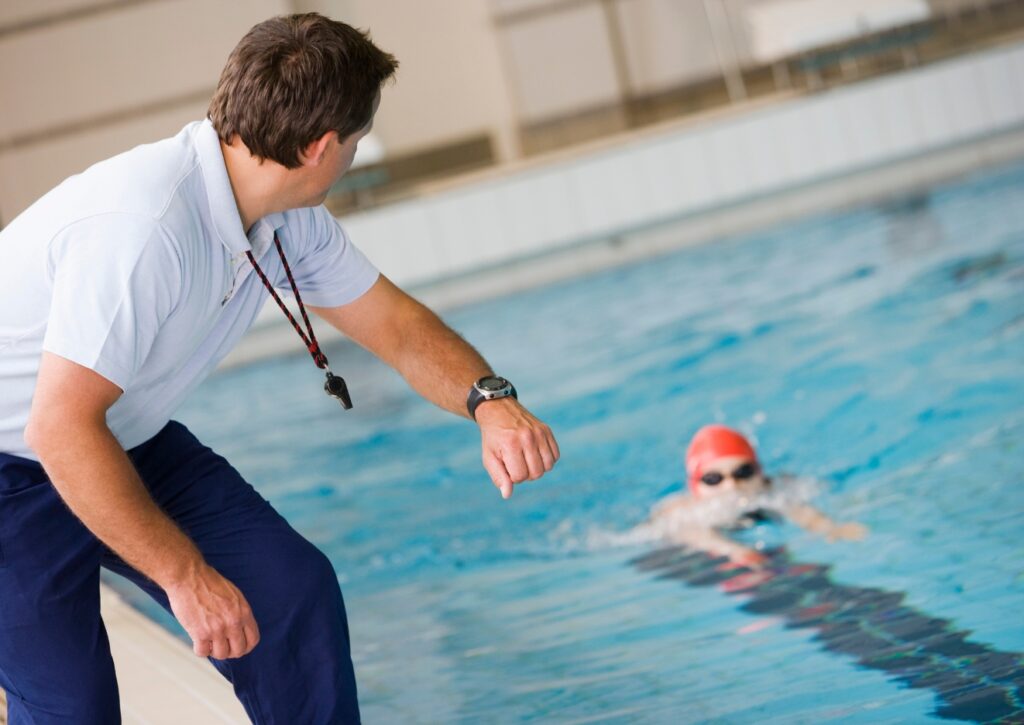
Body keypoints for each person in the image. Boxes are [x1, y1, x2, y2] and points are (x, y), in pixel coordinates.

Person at [0, 13, 558, 724]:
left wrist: (490, 400)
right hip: (16, 469)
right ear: (323, 147)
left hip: (114, 435)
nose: (353, 155)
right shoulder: (144, 230)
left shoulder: (283, 216)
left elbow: (396, 325)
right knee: (73, 710)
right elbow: (59, 429)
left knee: (291, 593)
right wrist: (185, 575)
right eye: (355, 142)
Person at [646, 425, 865, 568]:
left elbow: (799, 510)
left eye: (743, 472)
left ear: (760, 473)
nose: (731, 485)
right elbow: (692, 534)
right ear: (695, 487)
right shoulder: (683, 510)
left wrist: (829, 527)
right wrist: (734, 550)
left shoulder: (772, 489)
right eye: (713, 479)